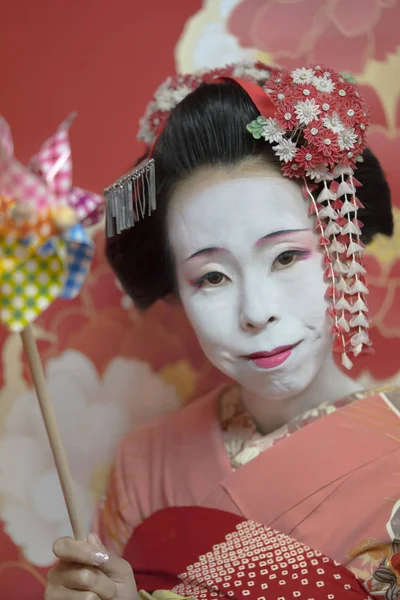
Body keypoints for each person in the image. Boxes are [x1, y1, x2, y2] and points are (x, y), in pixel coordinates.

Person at [45, 62, 400, 600]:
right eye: (211, 276)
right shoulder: (146, 461)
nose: (255, 312)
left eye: (285, 257)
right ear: (176, 289)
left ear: (340, 248)